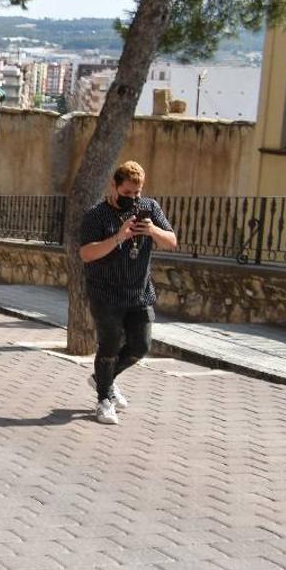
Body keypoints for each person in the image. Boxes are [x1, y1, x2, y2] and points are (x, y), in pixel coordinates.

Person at [78, 160, 178, 425]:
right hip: (105, 292)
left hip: (139, 292)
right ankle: (103, 400)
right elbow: (86, 254)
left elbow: (172, 241)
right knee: (109, 345)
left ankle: (104, 379)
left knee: (140, 346)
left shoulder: (149, 209)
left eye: (137, 193)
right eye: (127, 193)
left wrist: (153, 230)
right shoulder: (96, 215)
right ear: (114, 186)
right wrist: (119, 237)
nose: (133, 199)